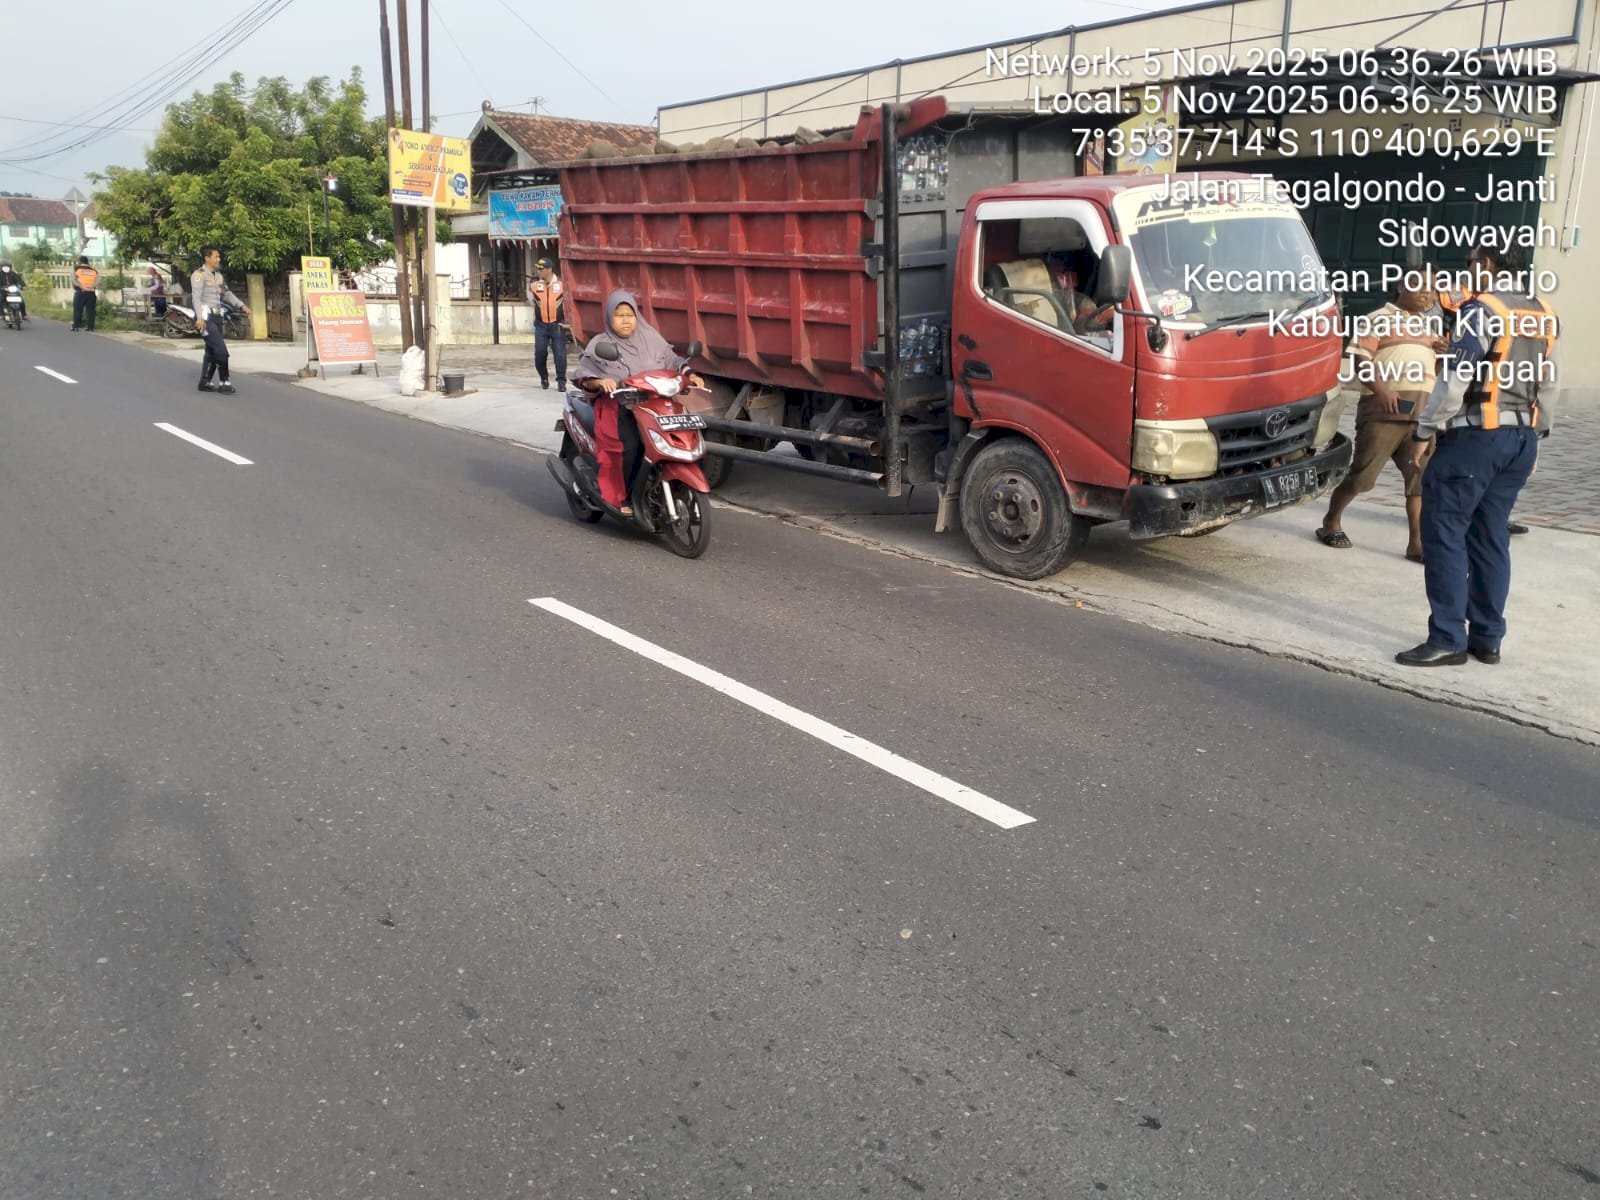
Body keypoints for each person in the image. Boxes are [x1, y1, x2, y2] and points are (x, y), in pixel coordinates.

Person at [1395, 241, 1557, 667]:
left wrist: (1425, 429)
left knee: (1445, 532)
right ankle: (1487, 639)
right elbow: (1549, 385)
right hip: (1519, 441)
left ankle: (1448, 637)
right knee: (1491, 536)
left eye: (1469, 264)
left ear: (1485, 264)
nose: (1466, 272)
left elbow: (1453, 381)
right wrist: (1536, 437)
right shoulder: (1543, 312)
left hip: (1475, 440)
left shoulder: (1482, 310)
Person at [1316, 268, 1443, 560]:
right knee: (1363, 475)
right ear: (1401, 286)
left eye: (1432, 287)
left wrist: (1443, 356)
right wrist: (1382, 389)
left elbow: (1433, 374)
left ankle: (1416, 543)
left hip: (1420, 418)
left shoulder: (1431, 329)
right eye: (1419, 284)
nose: (1427, 292)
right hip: (1382, 414)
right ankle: (1331, 521)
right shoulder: (1377, 319)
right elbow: (1361, 360)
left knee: (1419, 479)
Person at [572, 290, 703, 517]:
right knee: (631, 446)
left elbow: (673, 360)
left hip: (653, 404)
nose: (625, 320)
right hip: (618, 406)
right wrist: (601, 381)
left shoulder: (651, 338)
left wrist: (690, 375)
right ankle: (622, 495)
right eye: (619, 315)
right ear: (609, 317)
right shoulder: (601, 344)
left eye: (629, 315)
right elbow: (584, 374)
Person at [190, 245, 251, 394]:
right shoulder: (199, 275)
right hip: (205, 317)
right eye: (216, 257)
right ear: (207, 258)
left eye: (218, 256)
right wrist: (199, 318)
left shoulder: (218, 276)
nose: (219, 259)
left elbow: (227, 294)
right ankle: (225, 381)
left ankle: (205, 382)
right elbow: (196, 298)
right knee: (221, 350)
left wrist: (242, 305)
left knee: (211, 350)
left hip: (217, 316)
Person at [528, 256, 569, 390]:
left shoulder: (562, 285)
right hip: (541, 325)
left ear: (550, 269)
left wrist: (568, 322)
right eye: (538, 269)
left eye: (542, 269)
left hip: (557, 325)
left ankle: (561, 381)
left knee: (560, 354)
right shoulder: (534, 286)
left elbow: (569, 305)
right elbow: (531, 302)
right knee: (540, 353)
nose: (539, 271)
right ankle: (544, 378)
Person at [70, 256, 99, 332]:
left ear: (80, 262)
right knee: (91, 310)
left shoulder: (76, 269)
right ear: (87, 262)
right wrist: (91, 287)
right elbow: (97, 281)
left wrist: (81, 286)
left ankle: (76, 326)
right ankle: (91, 327)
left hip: (81, 291)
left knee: (78, 309)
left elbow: (73, 280)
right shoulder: (94, 271)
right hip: (91, 292)